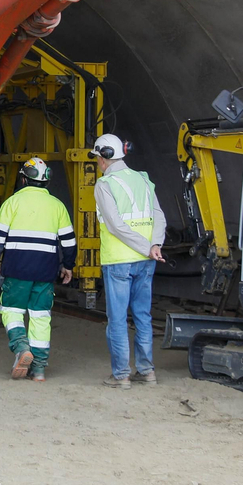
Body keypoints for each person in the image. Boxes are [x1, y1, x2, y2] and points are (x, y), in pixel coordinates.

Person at [0, 157, 75, 382]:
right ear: (46, 182)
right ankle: (39, 369)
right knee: (41, 317)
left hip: (17, 269)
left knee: (12, 310)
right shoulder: (58, 206)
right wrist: (68, 266)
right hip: (45, 272)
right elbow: (69, 242)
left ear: (23, 179)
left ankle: (21, 346)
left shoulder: (12, 203)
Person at [91, 133, 166, 388]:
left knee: (118, 319)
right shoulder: (143, 179)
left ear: (103, 158)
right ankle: (147, 372)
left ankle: (121, 375)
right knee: (143, 316)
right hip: (146, 262)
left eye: (97, 158)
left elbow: (115, 225)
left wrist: (148, 247)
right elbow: (159, 216)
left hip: (119, 261)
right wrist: (155, 245)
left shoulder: (104, 184)